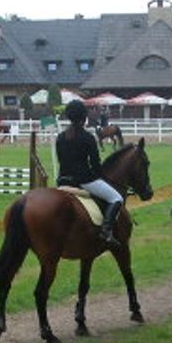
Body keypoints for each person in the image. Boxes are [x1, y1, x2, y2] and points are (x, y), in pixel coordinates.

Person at [55, 99, 123, 245]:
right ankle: (106, 231)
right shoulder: (88, 138)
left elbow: (62, 161)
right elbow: (96, 166)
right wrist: (103, 178)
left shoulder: (60, 137)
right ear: (84, 117)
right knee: (117, 198)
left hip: (63, 179)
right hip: (84, 181)